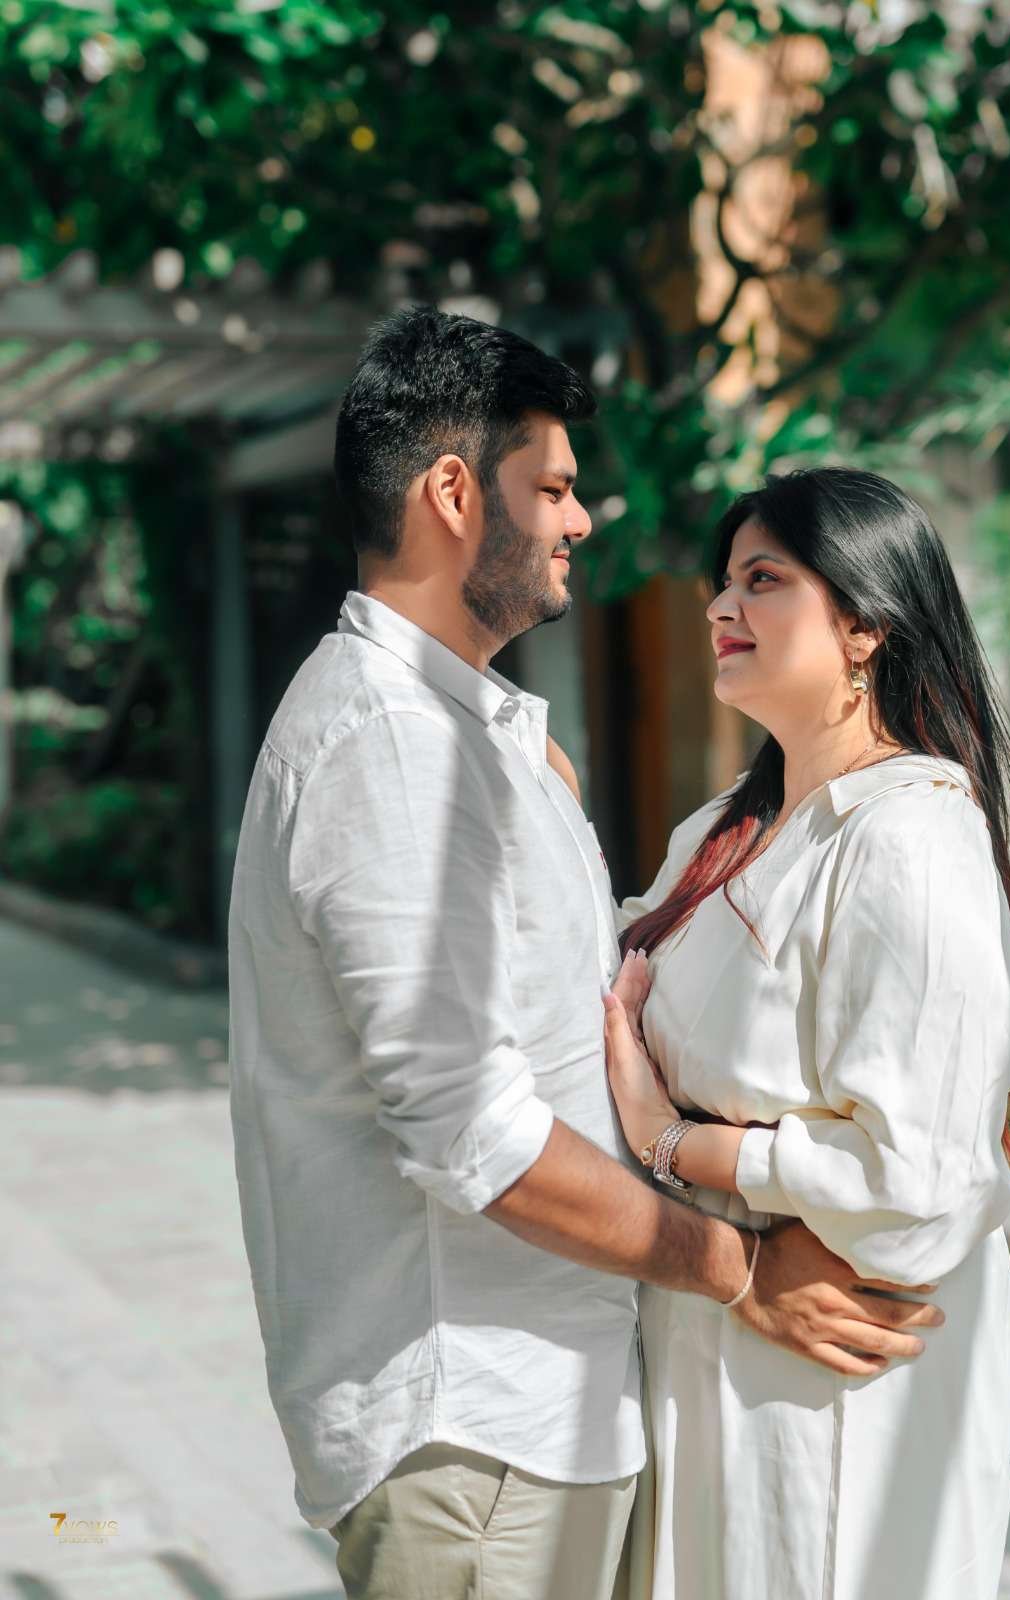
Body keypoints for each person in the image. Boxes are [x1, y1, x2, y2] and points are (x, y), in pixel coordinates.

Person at [227, 311, 942, 1600]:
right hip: (476, 1431)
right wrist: (738, 1269)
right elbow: (475, 1135)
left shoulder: (467, 738)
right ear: (455, 495)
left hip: (537, 1417)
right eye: (551, 486)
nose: (580, 519)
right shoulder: (398, 749)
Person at [603, 467, 1010, 1600]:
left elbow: (919, 1181)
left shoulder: (909, 839)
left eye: (763, 580)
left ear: (864, 625)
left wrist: (675, 1144)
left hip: (841, 1365)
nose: (719, 606)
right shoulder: (726, 829)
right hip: (713, 1339)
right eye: (723, 582)